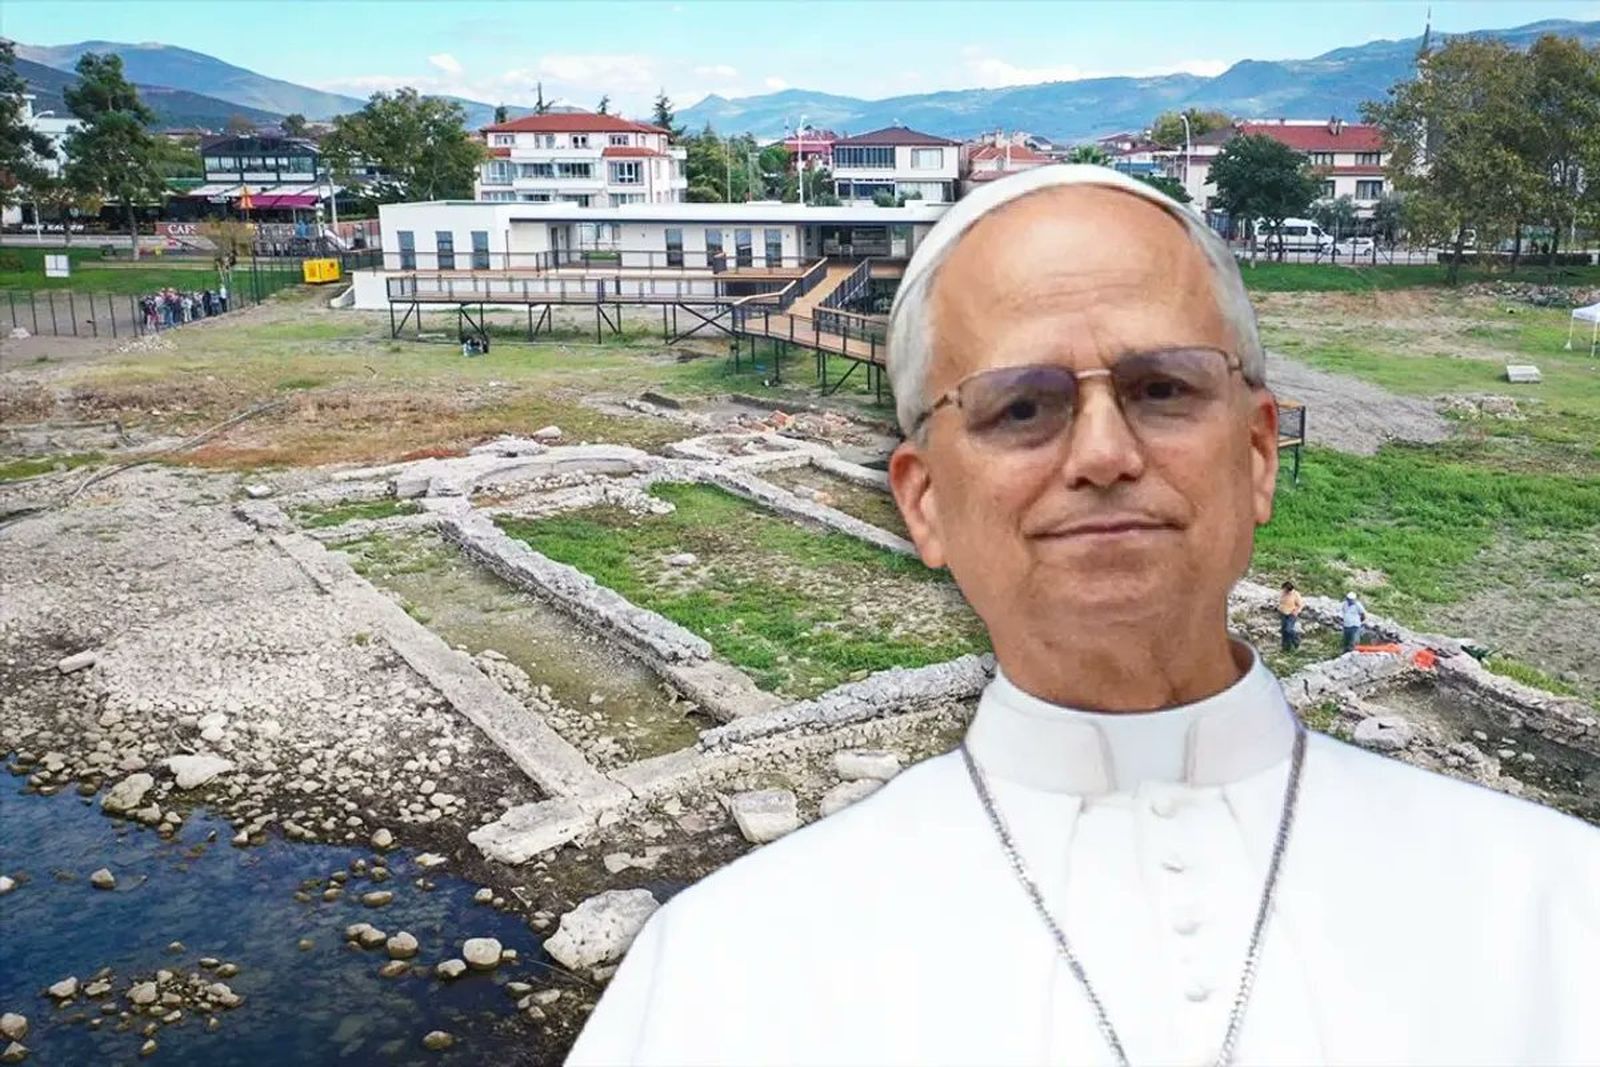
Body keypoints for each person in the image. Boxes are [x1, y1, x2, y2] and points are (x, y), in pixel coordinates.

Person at [567, 166, 1600, 1066]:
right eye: (1021, 406)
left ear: (1257, 453)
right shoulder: (725, 970)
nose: (1104, 453)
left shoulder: (1556, 911)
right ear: (924, 502)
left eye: (1162, 388)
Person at [1278, 580, 1304, 652]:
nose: (1284, 590)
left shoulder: (1295, 594)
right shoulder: (1283, 593)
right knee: (1284, 631)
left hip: (1291, 614)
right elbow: (1281, 601)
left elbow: (1300, 605)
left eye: (1285, 589)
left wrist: (1296, 611)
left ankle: (1296, 640)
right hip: (1283, 613)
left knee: (1288, 629)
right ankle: (1285, 647)